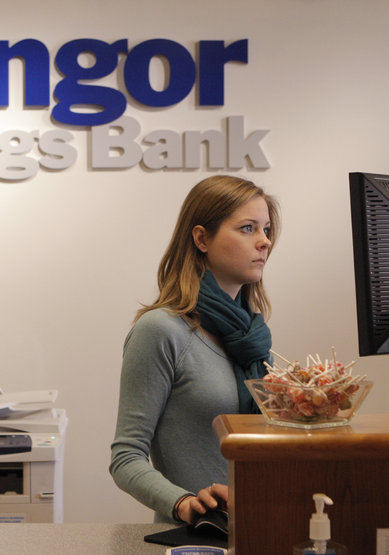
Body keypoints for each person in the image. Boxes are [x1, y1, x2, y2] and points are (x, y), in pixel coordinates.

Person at [109, 175, 280, 524]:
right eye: (248, 228)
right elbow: (126, 457)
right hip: (197, 538)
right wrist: (184, 502)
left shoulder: (254, 341)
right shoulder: (160, 331)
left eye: (266, 229)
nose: (264, 242)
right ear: (202, 238)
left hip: (259, 527)